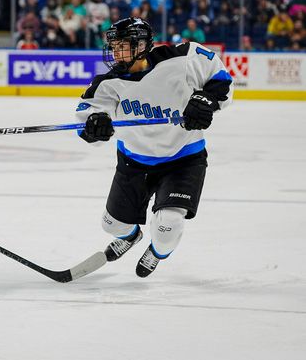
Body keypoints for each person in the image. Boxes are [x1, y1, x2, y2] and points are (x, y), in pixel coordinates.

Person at [75, 17, 232, 277]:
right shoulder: (107, 84)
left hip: (184, 159)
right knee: (111, 224)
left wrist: (206, 100)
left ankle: (157, 252)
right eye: (113, 45)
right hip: (134, 162)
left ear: (141, 45)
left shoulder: (182, 58)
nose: (115, 52)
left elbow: (219, 77)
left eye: (122, 45)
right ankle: (131, 236)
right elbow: (87, 115)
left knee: (167, 225)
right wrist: (94, 124)